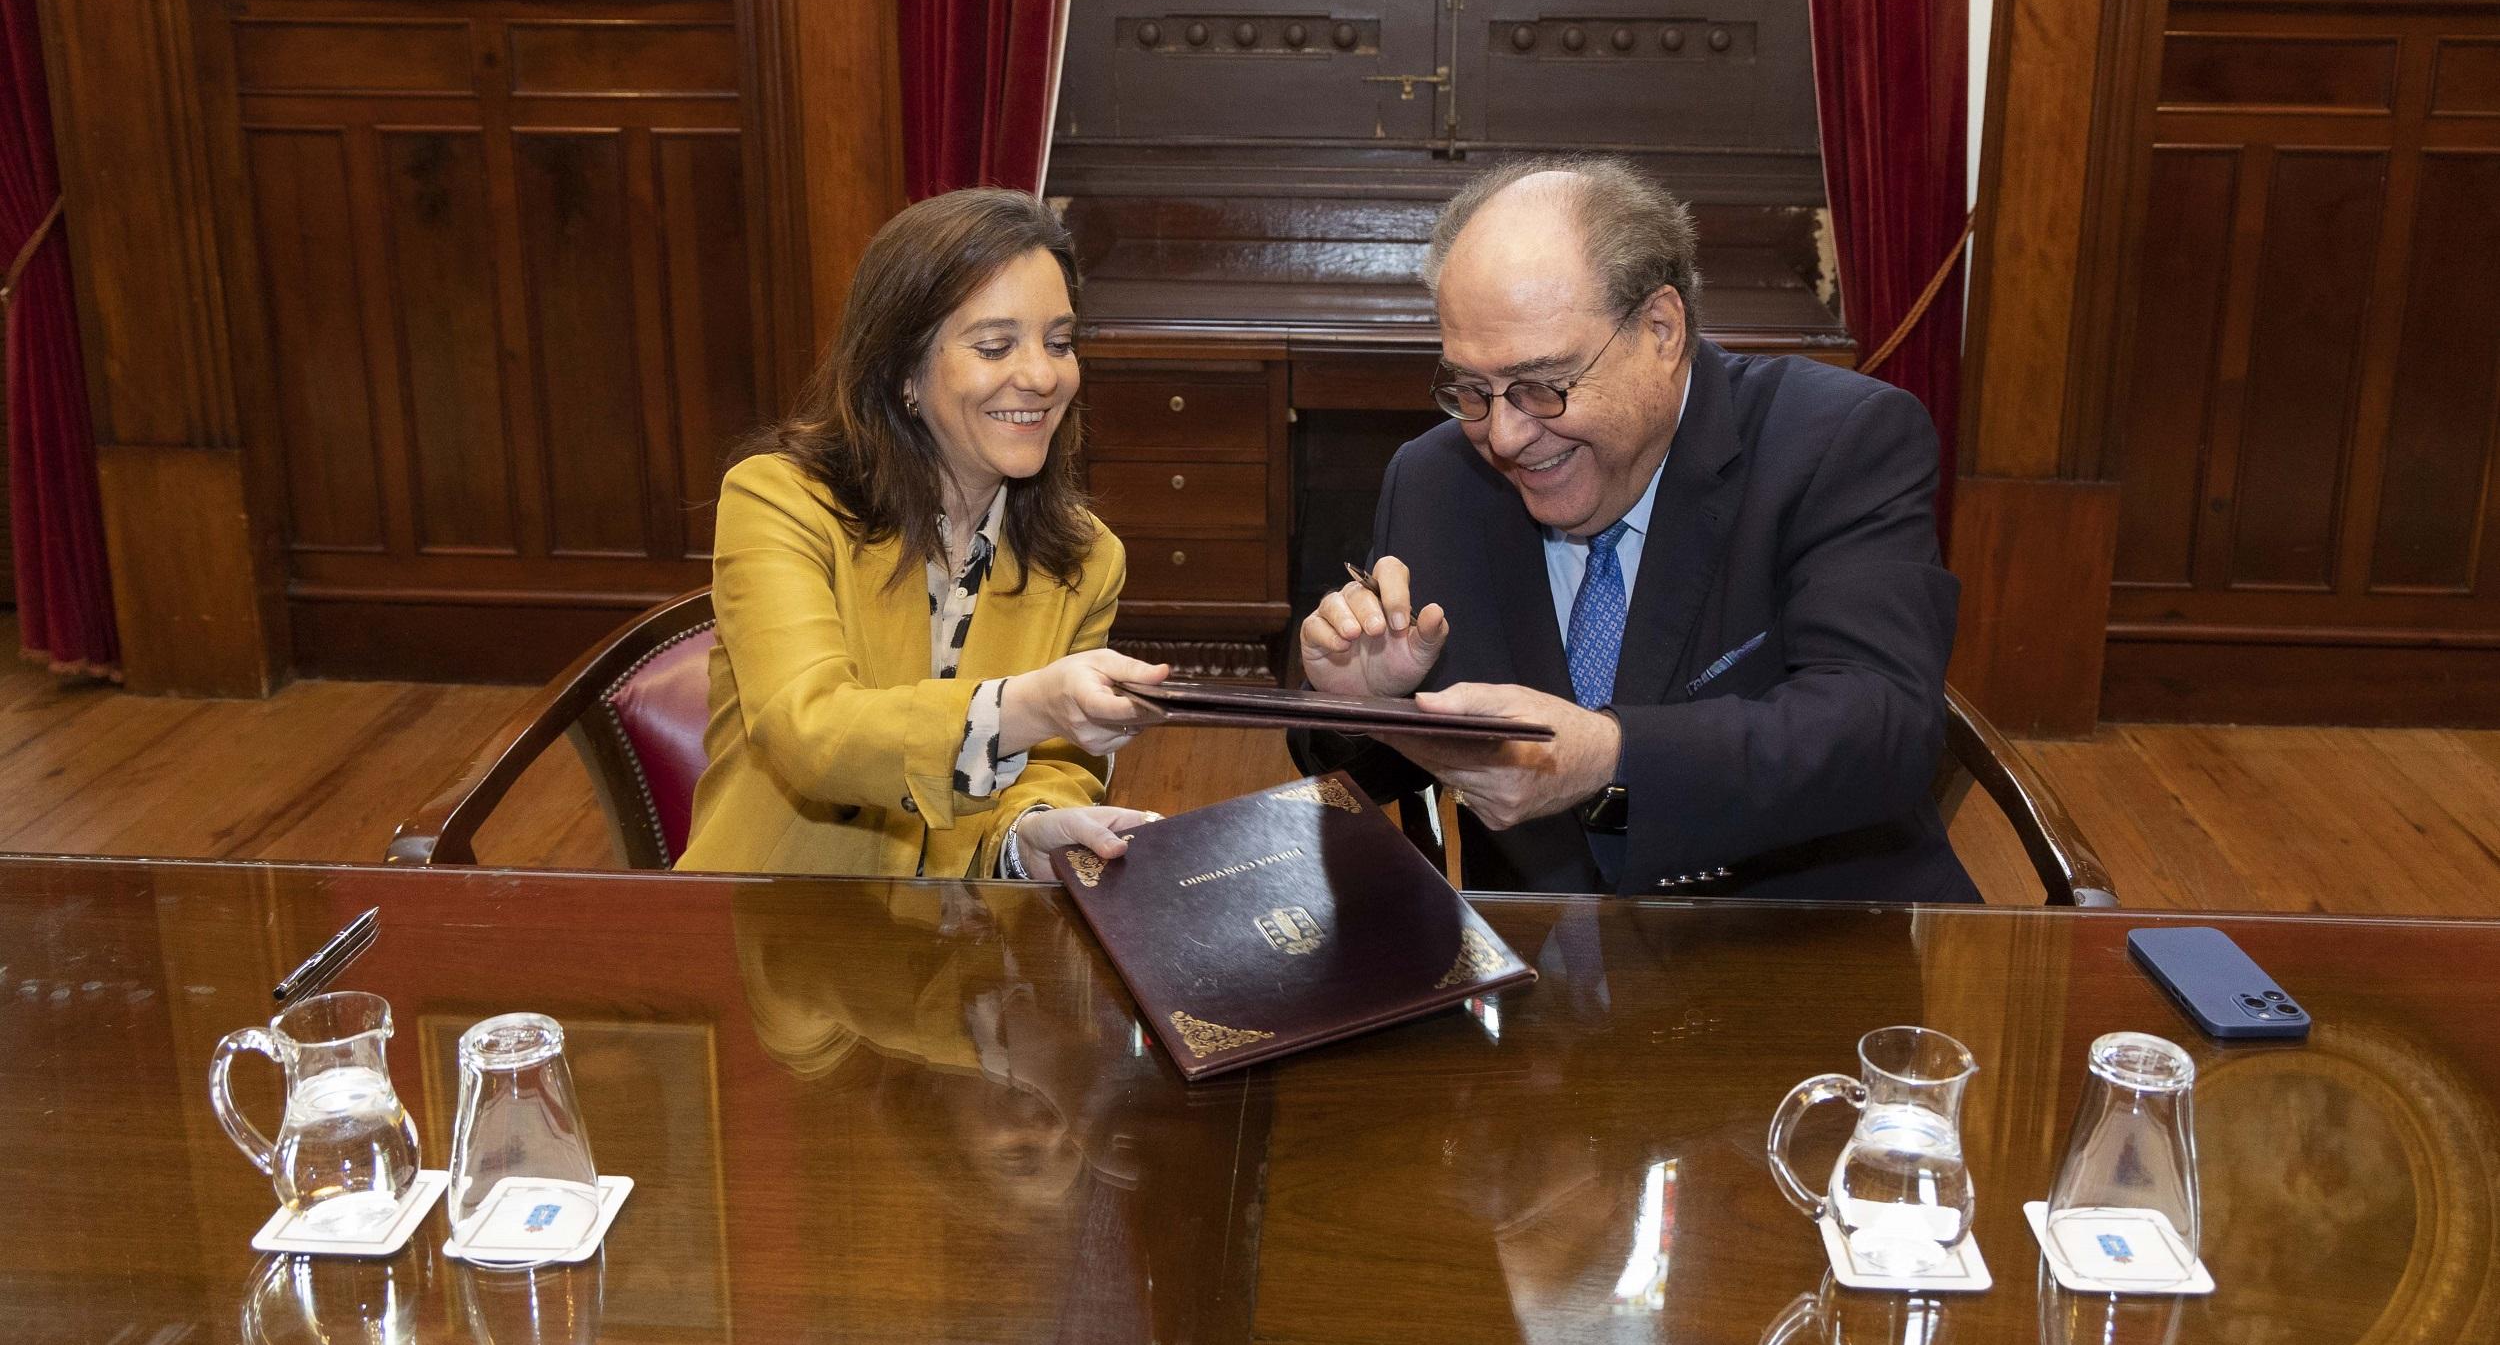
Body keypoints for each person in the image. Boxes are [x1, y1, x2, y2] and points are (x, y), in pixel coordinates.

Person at [1295, 157, 1976, 902]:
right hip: (1543, 973)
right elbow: (1387, 772)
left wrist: (1610, 758)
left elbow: (1882, 729)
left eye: (1542, 386)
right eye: (1470, 389)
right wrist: (1364, 708)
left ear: (1660, 328)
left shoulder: (1839, 442)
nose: (1505, 435)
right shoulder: (1435, 481)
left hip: (1799, 948)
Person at [679, 189, 1166, 878]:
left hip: (954, 956)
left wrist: (1035, 834)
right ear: (904, 370)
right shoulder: (777, 499)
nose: (1041, 375)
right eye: (996, 345)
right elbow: (808, 730)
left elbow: (1054, 771)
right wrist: (1031, 703)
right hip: (768, 933)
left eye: (1059, 342)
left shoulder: (1088, 557)